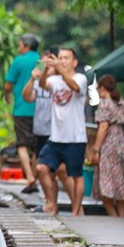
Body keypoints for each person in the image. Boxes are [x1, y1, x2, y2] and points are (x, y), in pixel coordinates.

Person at [36, 48, 88, 216]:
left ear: (74, 62)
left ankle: (76, 212)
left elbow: (73, 86)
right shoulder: (55, 80)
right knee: (42, 168)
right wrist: (45, 70)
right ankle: (52, 204)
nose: (63, 61)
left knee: (76, 175)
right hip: (56, 138)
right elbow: (43, 84)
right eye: (60, 58)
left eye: (66, 58)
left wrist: (59, 70)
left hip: (75, 137)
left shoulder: (80, 78)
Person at [21, 48, 72, 195]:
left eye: (48, 63)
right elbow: (27, 97)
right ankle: (50, 202)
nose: (46, 67)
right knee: (44, 168)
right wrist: (32, 78)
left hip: (57, 132)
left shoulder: (61, 82)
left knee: (58, 170)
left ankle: (74, 205)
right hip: (41, 130)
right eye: (43, 64)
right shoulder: (39, 83)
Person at [90, 75, 124, 217]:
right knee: (121, 186)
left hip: (109, 145)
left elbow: (103, 127)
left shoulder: (104, 103)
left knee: (105, 185)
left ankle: (114, 219)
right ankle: (122, 218)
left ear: (102, 88)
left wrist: (95, 149)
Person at [4, 33, 40, 194]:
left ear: (26, 46)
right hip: (40, 109)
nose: (18, 48)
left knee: (22, 144)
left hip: (21, 108)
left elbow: (8, 85)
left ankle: (30, 177)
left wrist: (7, 97)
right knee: (37, 146)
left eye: (19, 45)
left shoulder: (19, 61)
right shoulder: (41, 61)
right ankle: (36, 179)